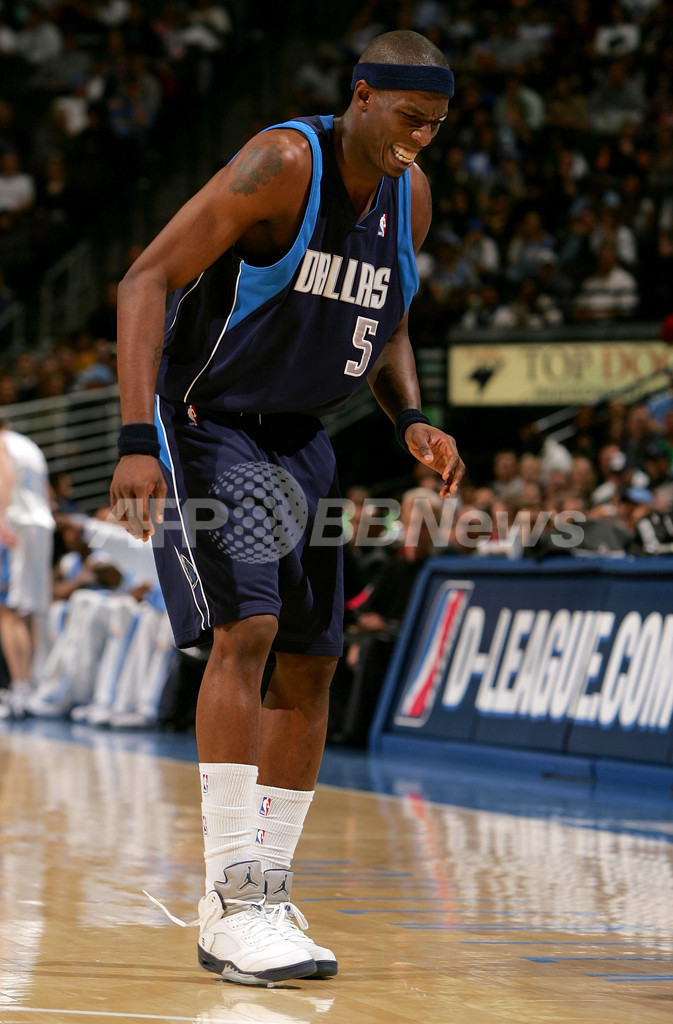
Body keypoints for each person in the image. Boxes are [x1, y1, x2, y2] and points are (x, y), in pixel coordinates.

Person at [109, 30, 464, 987]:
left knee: (313, 660)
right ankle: (230, 899)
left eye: (434, 125)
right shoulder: (281, 162)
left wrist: (411, 417)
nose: (418, 139)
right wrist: (135, 438)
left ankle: (264, 890)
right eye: (408, 117)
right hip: (210, 422)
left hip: (304, 438)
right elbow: (144, 278)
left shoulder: (409, 196)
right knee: (250, 631)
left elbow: (387, 316)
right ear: (362, 94)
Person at [0, 417, 55, 720]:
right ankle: (31, 688)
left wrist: (1, 520)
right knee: (31, 610)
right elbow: (48, 493)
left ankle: (19, 689)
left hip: (17, 524)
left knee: (9, 611)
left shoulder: (3, 444)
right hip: (41, 524)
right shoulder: (30, 445)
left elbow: (5, 475)